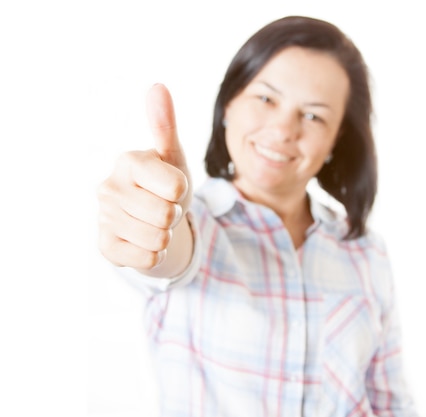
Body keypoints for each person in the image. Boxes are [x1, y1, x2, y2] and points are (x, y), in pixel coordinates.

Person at [96, 15, 419, 416]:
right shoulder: (194, 222)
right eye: (266, 98)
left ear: (337, 139)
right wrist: (151, 224)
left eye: (314, 115)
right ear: (229, 102)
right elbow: (173, 255)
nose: (284, 129)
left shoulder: (366, 250)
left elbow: (391, 402)